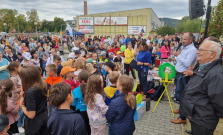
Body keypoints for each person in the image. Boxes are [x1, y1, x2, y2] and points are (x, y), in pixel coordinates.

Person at [181, 40, 223, 135]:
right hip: (197, 116)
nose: (197, 52)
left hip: (203, 120)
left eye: (201, 50)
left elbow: (219, 102)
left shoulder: (216, 74)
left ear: (212, 54)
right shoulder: (204, 67)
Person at [170, 33, 197, 124]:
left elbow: (187, 63)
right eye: (182, 39)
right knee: (178, 94)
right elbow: (181, 61)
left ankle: (182, 118)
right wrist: (174, 59)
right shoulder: (185, 48)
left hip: (183, 76)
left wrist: (178, 56)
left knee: (180, 95)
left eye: (185, 39)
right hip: (178, 74)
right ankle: (181, 110)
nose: (182, 40)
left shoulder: (192, 50)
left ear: (190, 40)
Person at [19, 65, 48, 135]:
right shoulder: (43, 84)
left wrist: (22, 106)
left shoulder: (31, 92)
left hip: (34, 124)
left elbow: (31, 115)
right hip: (44, 117)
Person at [7, 61, 25, 133]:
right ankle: (18, 125)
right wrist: (21, 88)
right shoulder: (13, 78)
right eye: (20, 66)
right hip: (15, 99)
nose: (21, 67)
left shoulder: (18, 75)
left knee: (21, 111)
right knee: (19, 111)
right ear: (16, 68)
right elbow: (13, 90)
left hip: (19, 96)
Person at [71, 70, 91, 135]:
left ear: (78, 79)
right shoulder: (91, 89)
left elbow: (73, 103)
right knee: (89, 128)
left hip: (79, 112)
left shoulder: (75, 90)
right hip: (90, 112)